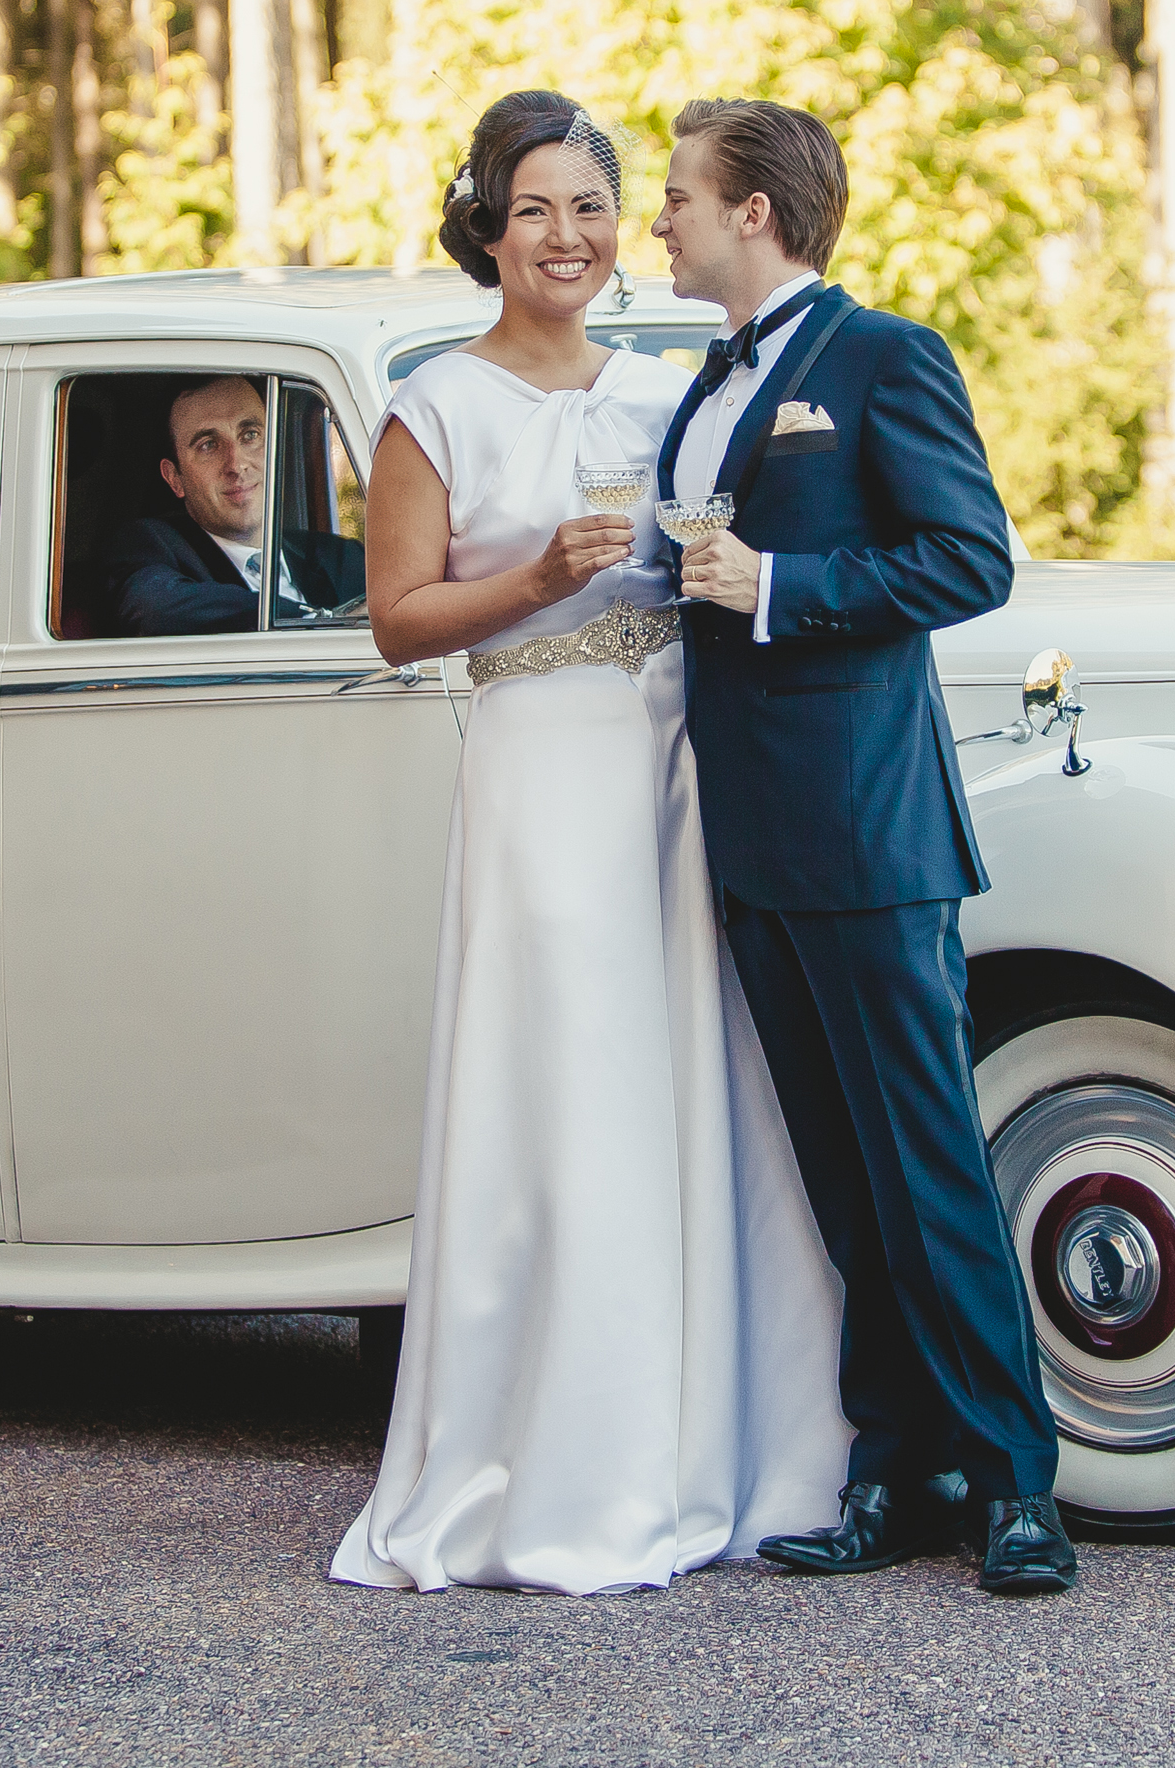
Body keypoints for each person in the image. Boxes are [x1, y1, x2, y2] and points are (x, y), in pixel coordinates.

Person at [331, 91, 849, 1596]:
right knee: (568, 1091)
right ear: (488, 229)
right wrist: (536, 584)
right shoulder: (436, 404)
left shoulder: (666, 394)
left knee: (699, 1080)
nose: (569, 236)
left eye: (594, 207)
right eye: (538, 208)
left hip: (673, 759)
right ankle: (560, 1464)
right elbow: (397, 623)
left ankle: (736, 1453)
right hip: (543, 761)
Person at [650, 97, 1079, 1598]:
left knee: (928, 1162)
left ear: (755, 212)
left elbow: (969, 556)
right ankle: (895, 1470)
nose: (661, 221)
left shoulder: (886, 357)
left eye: (681, 197)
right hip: (752, 839)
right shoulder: (704, 383)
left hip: (870, 830)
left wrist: (780, 578)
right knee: (842, 1177)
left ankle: (1021, 1481)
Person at [102, 375, 366, 636]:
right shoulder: (151, 545)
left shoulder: (342, 557)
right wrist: (310, 620)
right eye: (208, 445)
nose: (236, 465)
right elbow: (151, 610)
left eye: (250, 435)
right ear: (175, 478)